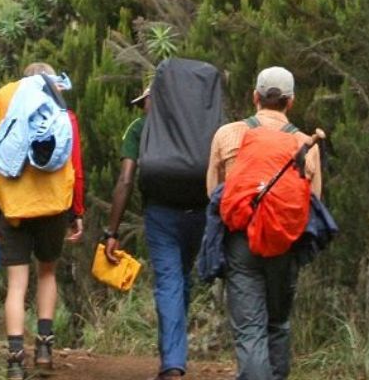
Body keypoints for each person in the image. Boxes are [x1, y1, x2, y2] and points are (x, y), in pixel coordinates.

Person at [206, 66, 324, 380]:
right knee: (279, 324)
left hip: (241, 241)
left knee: (250, 330)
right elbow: (314, 202)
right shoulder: (305, 143)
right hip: (284, 243)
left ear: (255, 97)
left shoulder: (228, 134)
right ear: (291, 101)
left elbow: (213, 193)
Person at [0, 63, 86, 379]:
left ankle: (15, 361)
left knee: (16, 284)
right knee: (47, 273)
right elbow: (76, 169)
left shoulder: (6, 109)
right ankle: (44, 349)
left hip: (14, 207)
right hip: (54, 206)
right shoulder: (63, 116)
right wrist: (76, 213)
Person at [103, 81, 209, 380]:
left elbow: (125, 180)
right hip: (198, 213)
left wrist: (111, 232)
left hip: (161, 213)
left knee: (169, 281)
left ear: (157, 99)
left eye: (144, 102)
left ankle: (172, 364)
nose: (141, 108)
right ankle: (173, 354)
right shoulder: (197, 126)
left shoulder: (140, 128)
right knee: (181, 278)